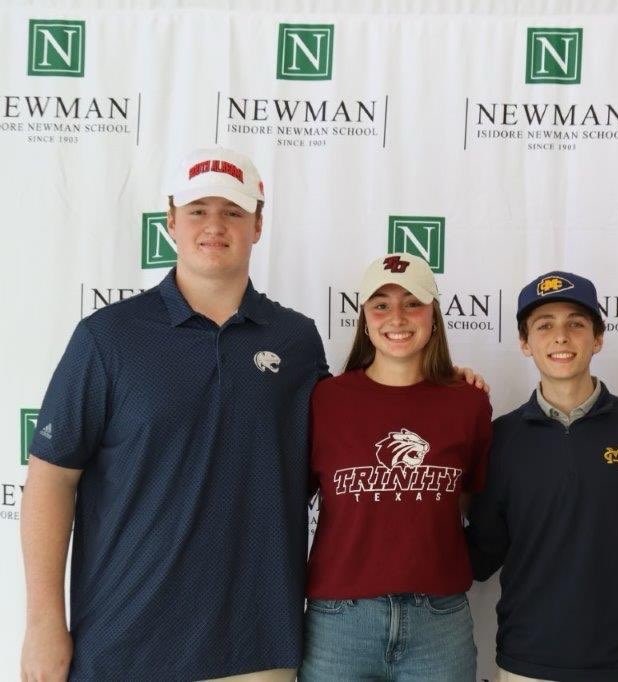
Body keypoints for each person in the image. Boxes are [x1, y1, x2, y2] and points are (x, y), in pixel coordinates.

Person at [21, 147, 328, 681]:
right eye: (197, 211)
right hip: (124, 643)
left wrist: (442, 382)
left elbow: (354, 434)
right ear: (170, 222)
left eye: (233, 211)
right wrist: (44, 622)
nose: (215, 226)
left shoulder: (296, 341)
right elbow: (50, 479)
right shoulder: (107, 337)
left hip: (257, 646)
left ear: (258, 225)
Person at [466, 271, 618, 682]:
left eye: (576, 323)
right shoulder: (502, 436)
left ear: (597, 338)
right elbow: (482, 552)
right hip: (530, 660)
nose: (561, 336)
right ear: (525, 344)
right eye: (545, 326)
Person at [300, 253, 492, 682]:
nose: (397, 317)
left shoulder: (469, 402)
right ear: (365, 319)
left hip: (439, 620)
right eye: (381, 304)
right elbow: (291, 498)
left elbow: (474, 501)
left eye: (413, 302)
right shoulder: (325, 400)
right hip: (339, 621)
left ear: (434, 315)